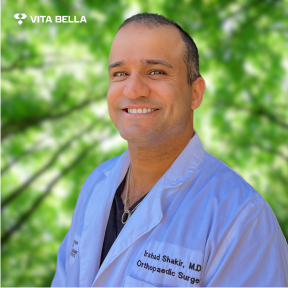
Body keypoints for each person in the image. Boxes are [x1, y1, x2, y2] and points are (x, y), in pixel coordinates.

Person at [51, 13, 288, 288]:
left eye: (156, 72)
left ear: (196, 93)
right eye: (120, 73)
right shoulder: (96, 184)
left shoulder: (242, 219)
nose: (133, 88)